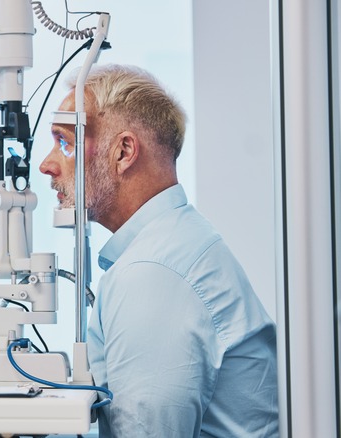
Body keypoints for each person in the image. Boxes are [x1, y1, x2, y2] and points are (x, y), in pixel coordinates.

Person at [39, 64, 278, 437]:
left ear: (123, 152)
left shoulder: (154, 272)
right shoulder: (173, 244)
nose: (47, 165)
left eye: (66, 143)